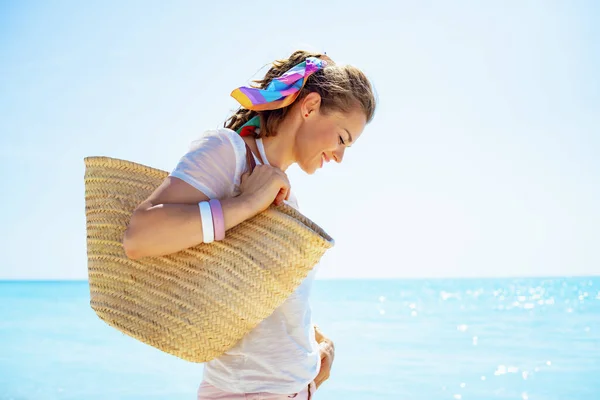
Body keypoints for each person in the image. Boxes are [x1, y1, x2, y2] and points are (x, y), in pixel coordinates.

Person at [122, 50, 377, 399]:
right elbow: (140, 236)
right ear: (309, 106)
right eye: (342, 138)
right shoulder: (230, 152)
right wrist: (246, 203)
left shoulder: (287, 195)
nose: (340, 155)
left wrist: (316, 366)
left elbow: (256, 309)